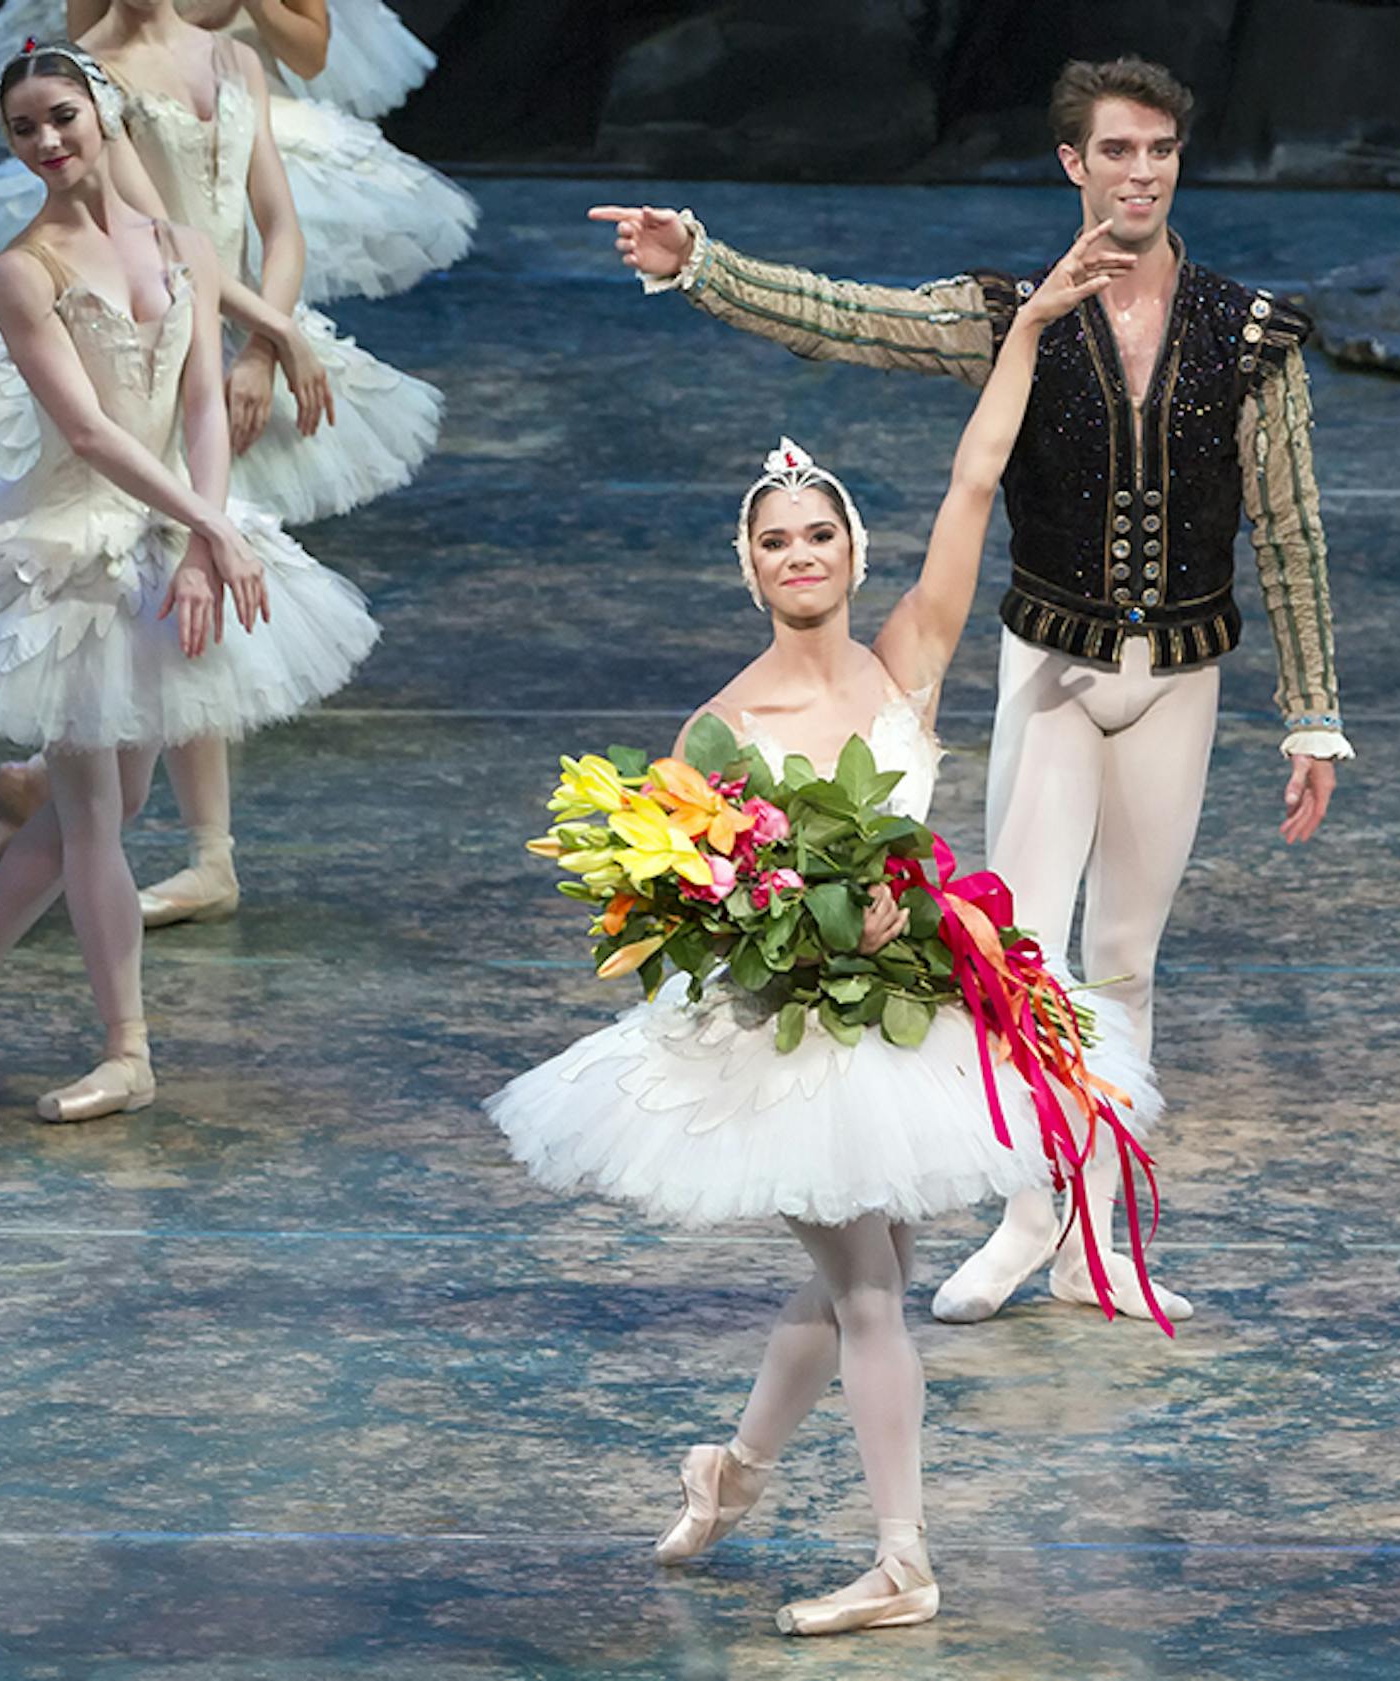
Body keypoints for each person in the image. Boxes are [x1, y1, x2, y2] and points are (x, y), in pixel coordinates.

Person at [589, 54, 1349, 1326]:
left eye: (1160, 151)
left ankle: (1097, 1238)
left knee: (1128, 964)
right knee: (1026, 962)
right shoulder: (1013, 314)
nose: (1142, 173)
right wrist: (701, 265)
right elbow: (852, 316)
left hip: (1181, 680)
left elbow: (1291, 524)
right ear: (1074, 163)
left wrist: (1312, 707)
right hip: (1053, 672)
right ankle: (1026, 1211)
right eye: (1117, 151)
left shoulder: (1251, 332)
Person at [487, 226, 1153, 1636]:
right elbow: (673, 888)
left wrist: (1030, 328)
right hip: (783, 1034)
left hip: (905, 1013)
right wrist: (772, 909)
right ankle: (903, 1557)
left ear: (855, 551)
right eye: (776, 542)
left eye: (820, 534)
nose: (802, 555)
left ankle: (734, 1474)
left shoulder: (908, 652)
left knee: (861, 1276)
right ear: (753, 570)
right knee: (866, 1284)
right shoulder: (723, 724)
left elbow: (978, 480)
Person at [0, 43, 377, 1119]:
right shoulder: (23, 269)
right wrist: (209, 527)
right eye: (25, 130)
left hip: (168, 525)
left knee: (117, 796)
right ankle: (128, 1050)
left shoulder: (175, 239)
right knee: (93, 815)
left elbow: (208, 404)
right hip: (68, 547)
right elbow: (85, 428)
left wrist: (205, 536)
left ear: (103, 116)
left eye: (63, 118)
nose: (47, 144)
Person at [0, 0, 443, 924]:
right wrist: (251, 337)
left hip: (229, 339)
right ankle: (135, 823)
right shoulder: (92, 77)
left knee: (199, 584)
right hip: (153, 339)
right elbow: (161, 244)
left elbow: (278, 223)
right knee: (173, 579)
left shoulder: (233, 61)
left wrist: (267, 347)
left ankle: (175, 841)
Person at [0, 0, 473, 304]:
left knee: (263, 225)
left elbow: (310, 58)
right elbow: (84, 65)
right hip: (140, 105)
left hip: (245, 98)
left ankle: (261, 339)